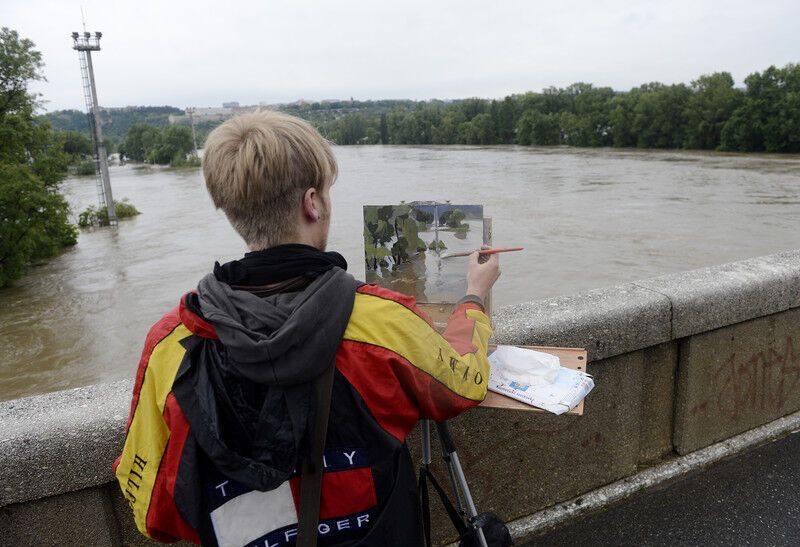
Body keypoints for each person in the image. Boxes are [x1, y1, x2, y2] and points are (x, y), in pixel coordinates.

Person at [113, 111, 501, 547]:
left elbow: (153, 512)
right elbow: (463, 385)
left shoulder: (173, 343)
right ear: (312, 202)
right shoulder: (380, 322)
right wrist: (473, 298)